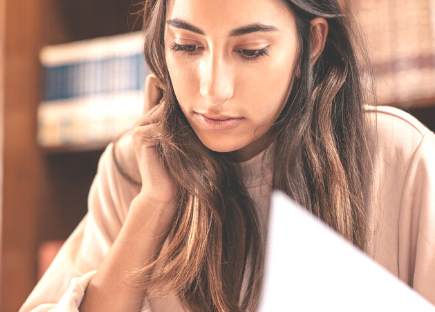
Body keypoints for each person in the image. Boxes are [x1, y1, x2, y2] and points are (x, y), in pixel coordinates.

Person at [20, 0, 435, 311]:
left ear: (312, 44)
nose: (212, 90)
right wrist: (153, 206)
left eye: (250, 50)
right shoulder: (134, 167)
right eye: (186, 46)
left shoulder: (401, 159)